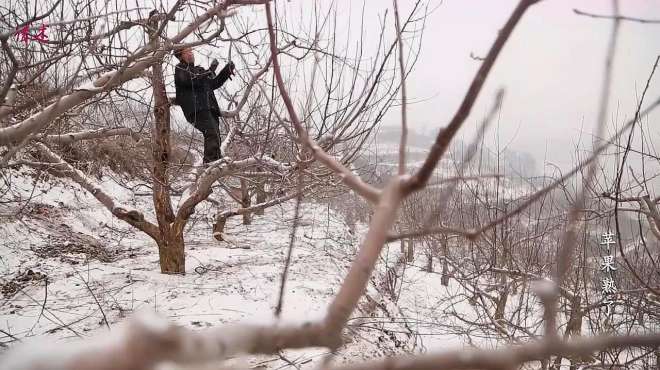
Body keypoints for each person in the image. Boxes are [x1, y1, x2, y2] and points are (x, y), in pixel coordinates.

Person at [173, 47, 235, 163]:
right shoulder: (180, 69)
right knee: (211, 132)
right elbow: (191, 80)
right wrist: (210, 70)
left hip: (209, 108)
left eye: (191, 51)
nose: (191, 54)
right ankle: (210, 162)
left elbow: (213, 83)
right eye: (187, 52)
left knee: (215, 134)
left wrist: (227, 71)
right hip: (196, 108)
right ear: (180, 56)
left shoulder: (200, 70)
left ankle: (215, 160)